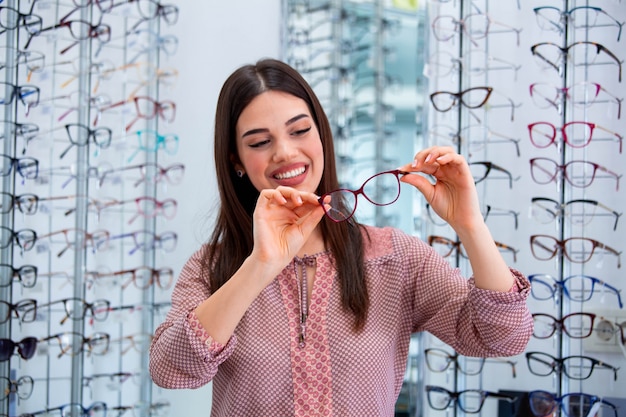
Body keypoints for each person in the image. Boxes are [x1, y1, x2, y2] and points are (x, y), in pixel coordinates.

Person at [149, 58, 533, 416]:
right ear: (236, 159)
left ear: (322, 135)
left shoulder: (394, 258)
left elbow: (502, 337)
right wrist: (259, 266)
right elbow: (171, 370)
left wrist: (470, 224)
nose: (285, 152)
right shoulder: (212, 266)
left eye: (300, 130)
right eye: (259, 142)